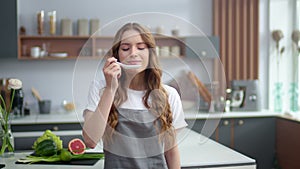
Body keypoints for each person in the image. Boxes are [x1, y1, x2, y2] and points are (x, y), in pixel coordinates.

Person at [82, 22, 187, 169]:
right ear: (117, 54)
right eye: (125, 48)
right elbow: (90, 141)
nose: (133, 53)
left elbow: (171, 151)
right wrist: (110, 89)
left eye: (141, 47)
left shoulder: (169, 94)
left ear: (150, 53)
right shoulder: (101, 88)